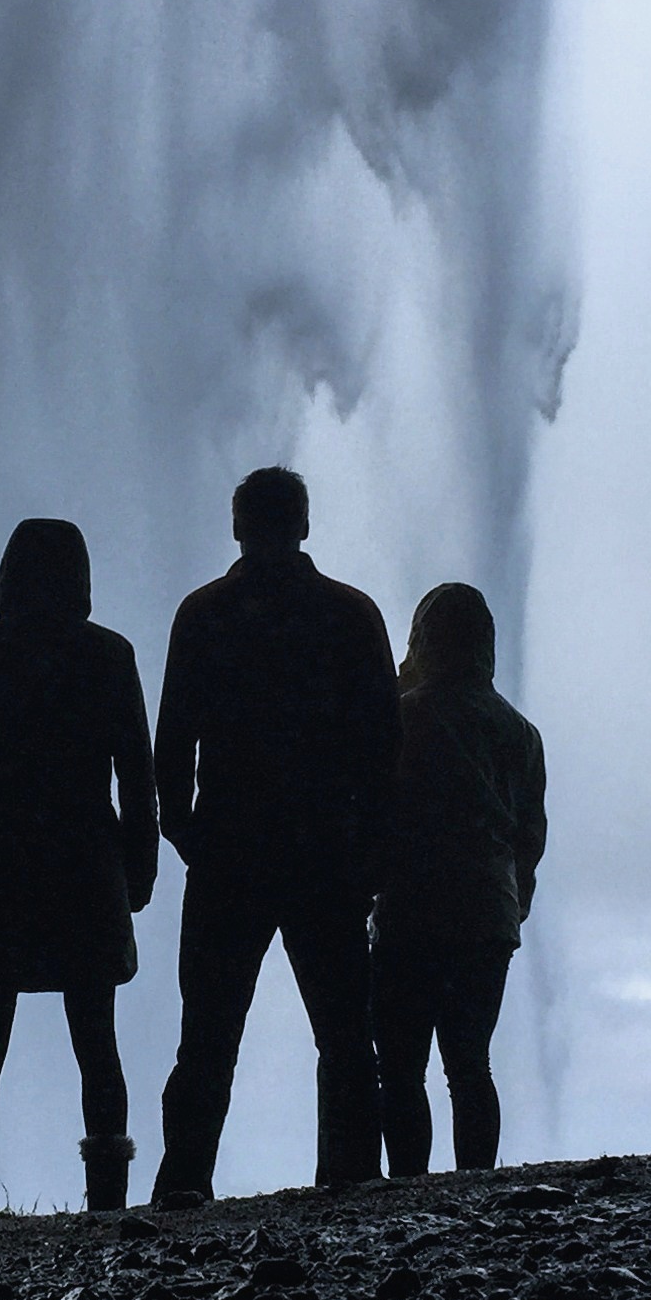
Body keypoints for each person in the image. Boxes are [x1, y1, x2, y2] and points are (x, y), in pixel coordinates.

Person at [149, 466, 400, 1203]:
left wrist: (184, 826)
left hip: (230, 847)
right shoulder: (353, 615)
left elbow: (173, 740)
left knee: (209, 1032)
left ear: (237, 526)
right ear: (305, 525)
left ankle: (186, 1178)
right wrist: (370, 847)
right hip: (326, 850)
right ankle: (350, 1170)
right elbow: (384, 745)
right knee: (346, 1033)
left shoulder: (203, 614)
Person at [0, 519, 157, 1219]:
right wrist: (139, 870)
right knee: (97, 1035)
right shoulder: (109, 654)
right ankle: (108, 1200)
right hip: (88, 860)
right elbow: (137, 779)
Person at [371, 582, 548, 1175]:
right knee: (470, 1062)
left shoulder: (403, 717)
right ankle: (478, 1182)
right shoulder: (520, 732)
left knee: (399, 1066)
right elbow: (532, 835)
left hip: (410, 909)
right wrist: (514, 902)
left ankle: (407, 1186)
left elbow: (374, 808)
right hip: (487, 911)